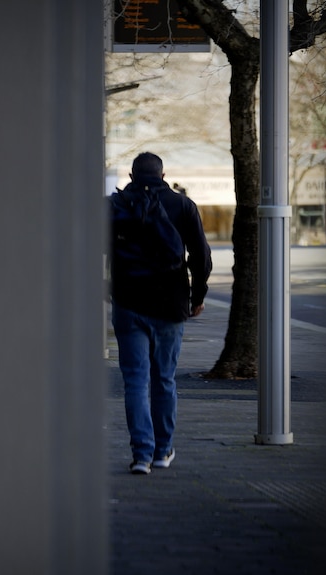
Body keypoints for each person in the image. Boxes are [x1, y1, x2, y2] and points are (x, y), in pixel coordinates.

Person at [109, 152, 212, 475]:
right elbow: (201, 257)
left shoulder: (114, 205)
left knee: (135, 382)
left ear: (131, 174)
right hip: (170, 303)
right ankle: (163, 451)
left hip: (128, 303)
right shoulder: (182, 205)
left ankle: (142, 455)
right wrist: (197, 295)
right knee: (164, 379)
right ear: (163, 174)